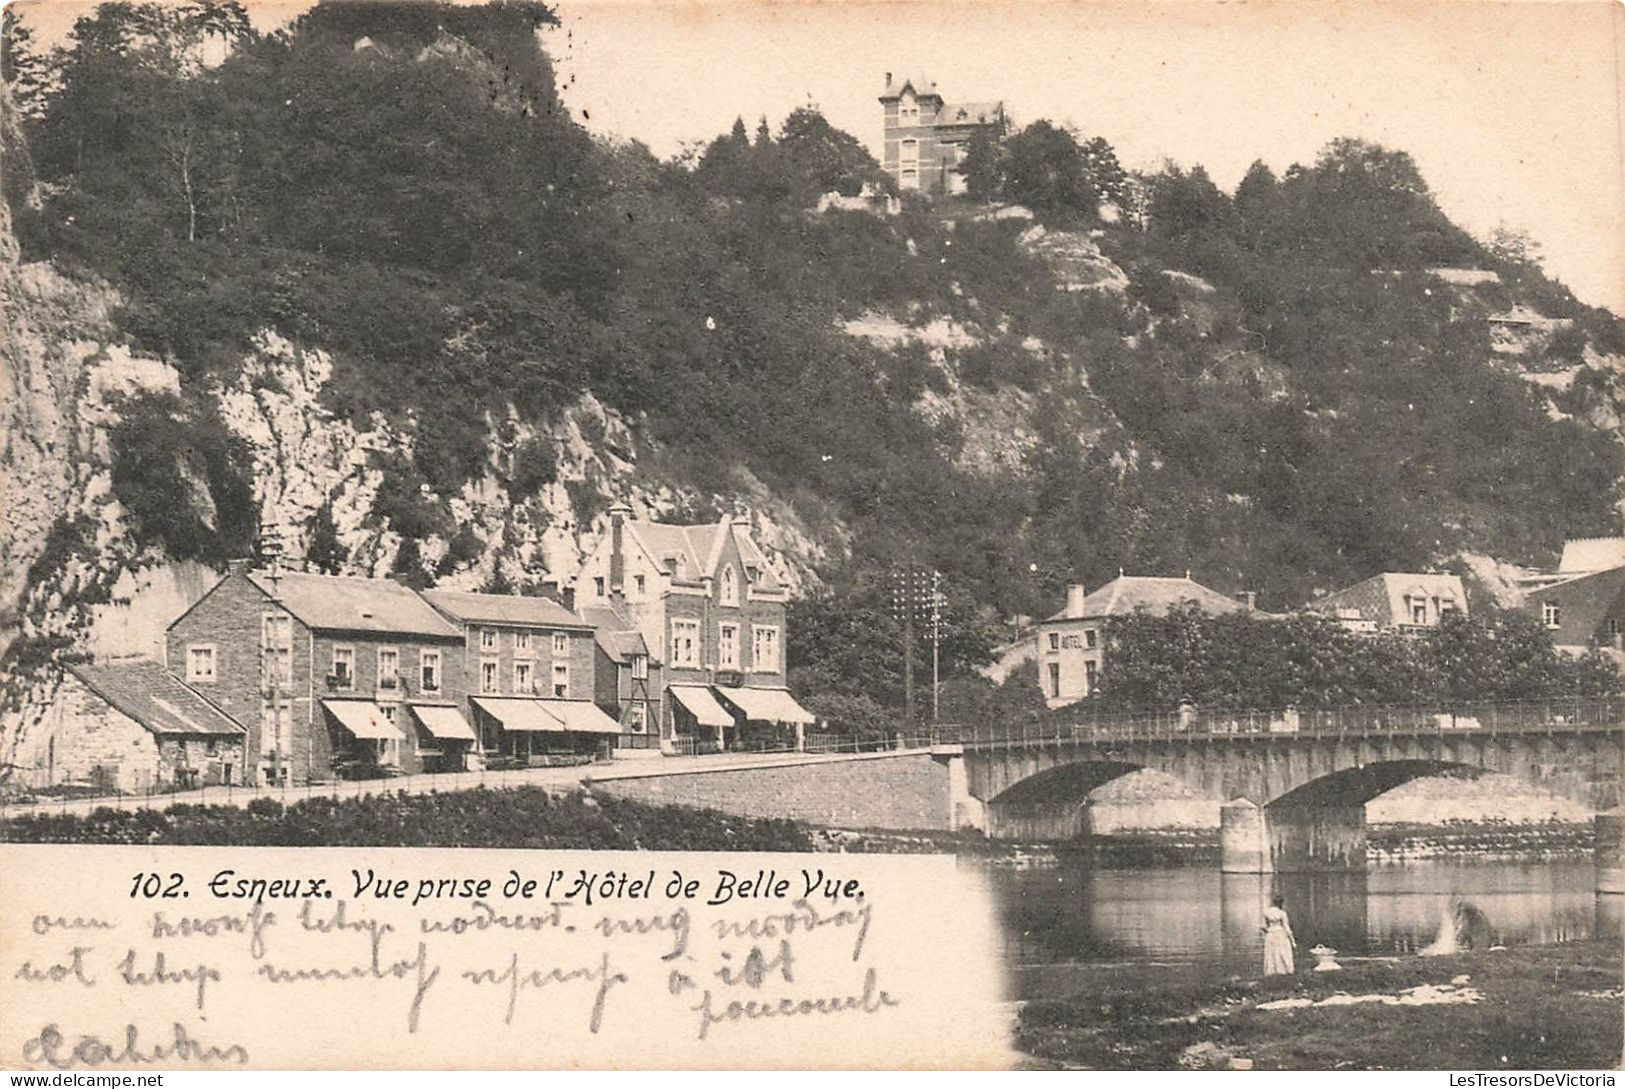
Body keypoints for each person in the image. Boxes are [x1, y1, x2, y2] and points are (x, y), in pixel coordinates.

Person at [1261, 894, 1296, 975]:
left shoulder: (1266, 912)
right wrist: (1293, 940)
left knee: (1271, 952)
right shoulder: (1282, 913)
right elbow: (1286, 927)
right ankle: (1283, 971)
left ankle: (1271, 971)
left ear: (1273, 902)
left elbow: (1263, 926)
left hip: (1271, 934)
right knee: (1282, 952)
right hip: (1280, 933)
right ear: (1281, 903)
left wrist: (1269, 931)